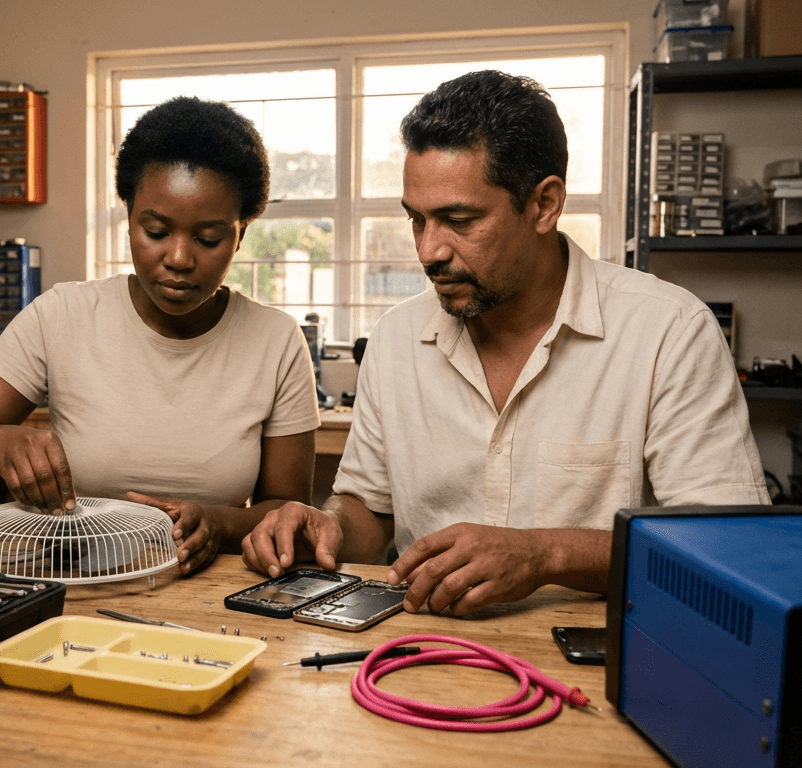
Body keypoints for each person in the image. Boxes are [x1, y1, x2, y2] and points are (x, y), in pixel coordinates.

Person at [241, 70, 768, 616]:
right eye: (416, 220)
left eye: (458, 220)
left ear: (544, 205)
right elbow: (372, 516)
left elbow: (727, 548)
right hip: (422, 652)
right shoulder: (398, 339)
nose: (428, 251)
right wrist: (327, 527)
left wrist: (543, 554)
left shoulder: (668, 332)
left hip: (601, 661)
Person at [0, 96, 320, 576]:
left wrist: (219, 523)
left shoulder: (276, 341)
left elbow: (285, 512)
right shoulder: (61, 316)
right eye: (154, 230)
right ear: (129, 218)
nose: (178, 258)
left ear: (241, 234)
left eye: (208, 239)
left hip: (213, 594)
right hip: (77, 582)